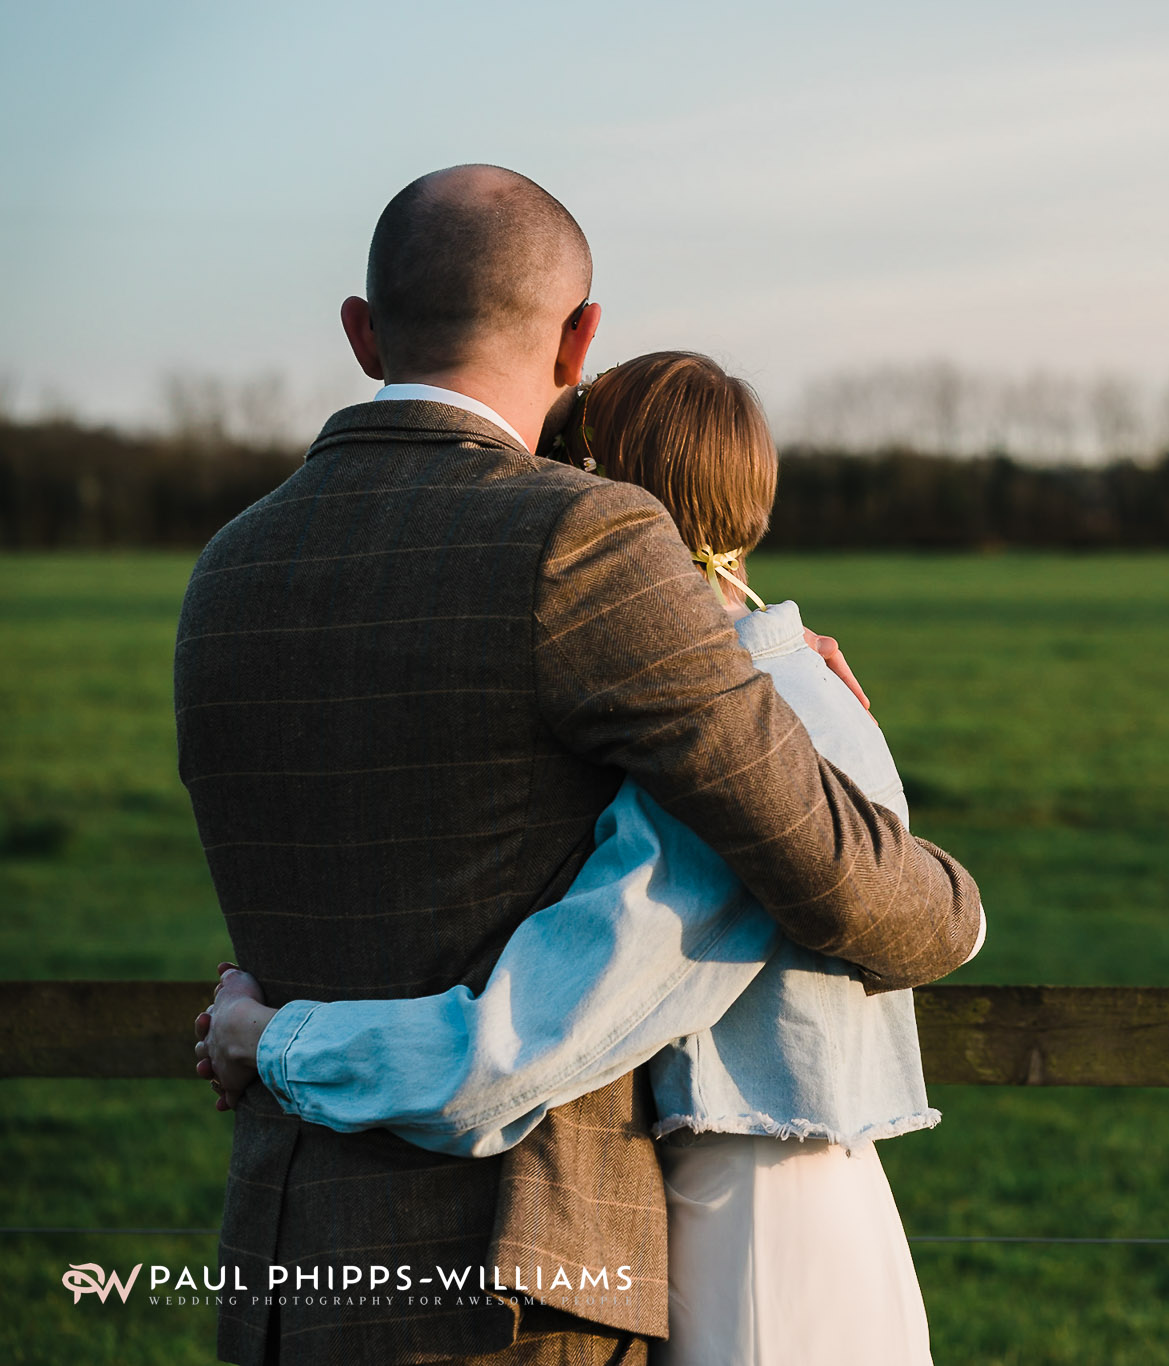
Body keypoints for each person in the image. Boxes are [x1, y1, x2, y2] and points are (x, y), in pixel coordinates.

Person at [176, 166, 983, 1366]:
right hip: (514, 1284)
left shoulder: (226, 570)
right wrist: (948, 901)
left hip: (284, 1275)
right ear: (579, 338)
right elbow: (834, 875)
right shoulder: (582, 538)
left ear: (359, 331)